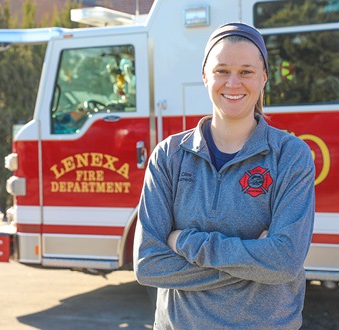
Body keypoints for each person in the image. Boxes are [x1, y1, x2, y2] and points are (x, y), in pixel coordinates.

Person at [133, 22, 315, 330]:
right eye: (221, 71)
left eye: (246, 71)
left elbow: (284, 261)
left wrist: (185, 241)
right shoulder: (169, 155)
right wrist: (256, 262)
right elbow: (148, 265)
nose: (233, 83)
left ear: (263, 78)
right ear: (205, 76)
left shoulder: (290, 155)